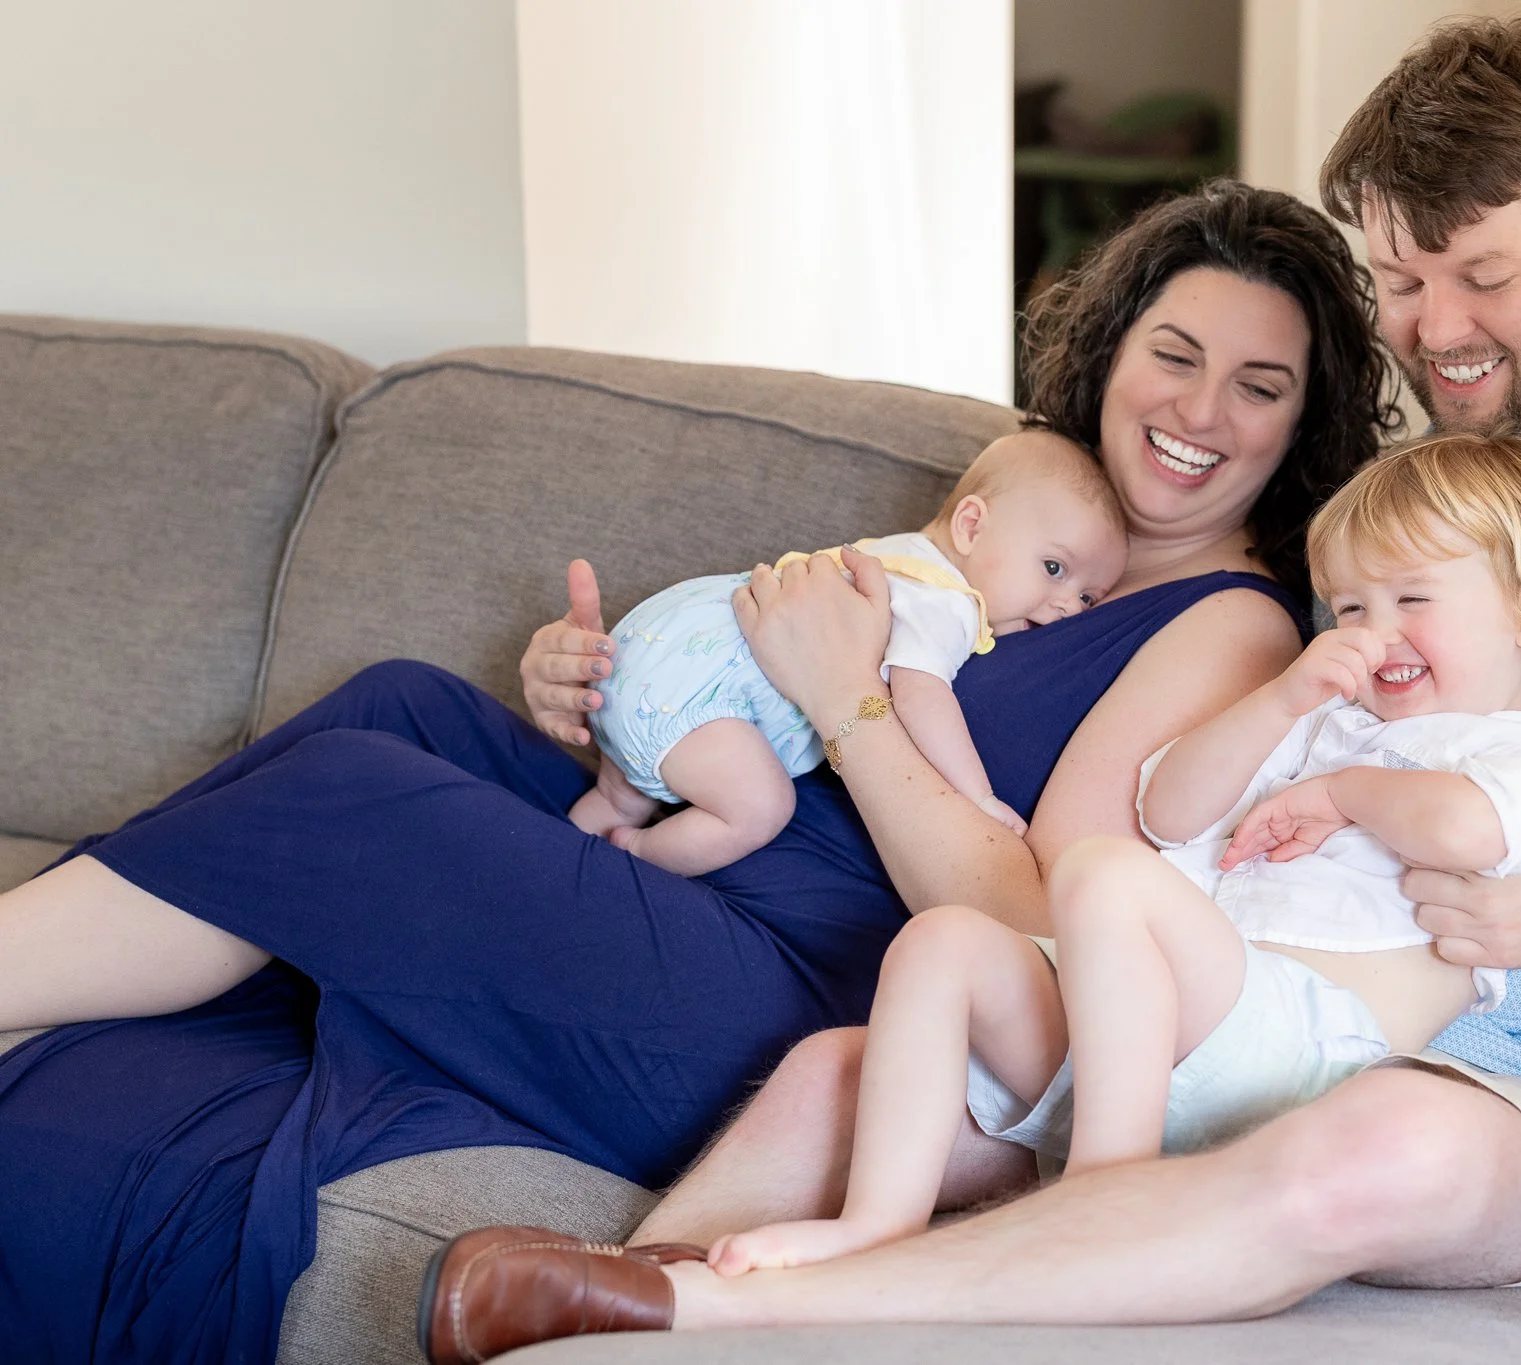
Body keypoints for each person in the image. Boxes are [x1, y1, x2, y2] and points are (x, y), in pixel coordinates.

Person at [418, 14, 1521, 1354]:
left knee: (1368, 1147)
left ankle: (728, 1308)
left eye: (1484, 277)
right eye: (1400, 279)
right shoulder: (1389, 513)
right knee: (855, 1070)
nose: (1437, 332)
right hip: (1259, 1003)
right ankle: (599, 1320)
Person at [0, 178, 1399, 1364]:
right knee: (407, 706)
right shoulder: (1023, 520)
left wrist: (844, 700)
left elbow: (1036, 914)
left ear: (1303, 423)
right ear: (1111, 353)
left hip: (799, 989)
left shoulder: (1229, 622)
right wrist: (599, 705)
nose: (1200, 409)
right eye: (1174, 354)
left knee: (350, 798)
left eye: (1258, 386)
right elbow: (752, 702)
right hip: (703, 880)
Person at [688, 432, 1521, 1281]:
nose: (1373, 634)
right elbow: (1169, 808)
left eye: (1412, 598)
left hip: (1313, 1053)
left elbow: (1468, 832)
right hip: (1166, 1033)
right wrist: (1283, 702)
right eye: (1350, 607)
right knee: (944, 941)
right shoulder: (1328, 724)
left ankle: (1101, 1195)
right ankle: (877, 1218)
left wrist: (1342, 796)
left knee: (1099, 872)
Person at [572, 431, 1127, 872]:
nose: (1068, 606)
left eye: (1088, 597)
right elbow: (920, 694)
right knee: (761, 809)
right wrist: (978, 799)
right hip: (701, 693)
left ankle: (582, 838)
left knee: (618, 796)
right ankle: (636, 854)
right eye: (1054, 567)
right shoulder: (947, 599)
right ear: (971, 525)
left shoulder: (898, 555)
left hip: (651, 649)